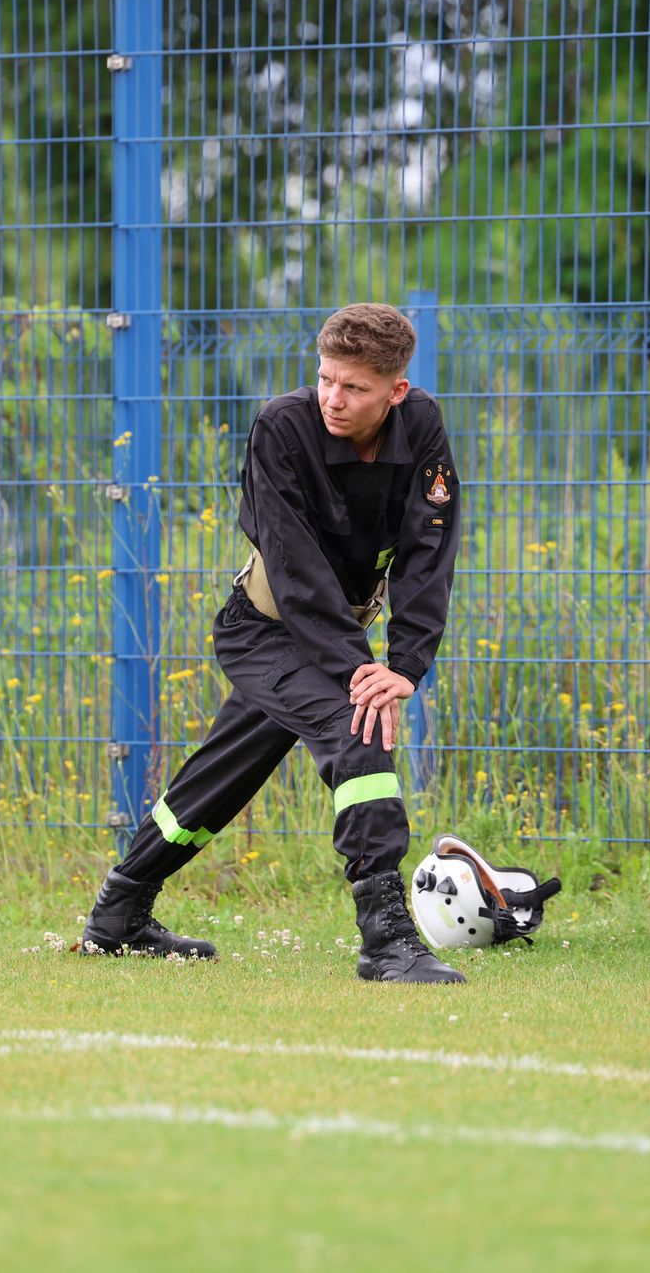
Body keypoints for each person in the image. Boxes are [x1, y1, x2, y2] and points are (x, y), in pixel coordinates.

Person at [80, 303, 465, 983]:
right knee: (361, 726)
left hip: (335, 637)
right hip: (264, 631)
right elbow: (295, 569)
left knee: (223, 773)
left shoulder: (423, 425)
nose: (333, 399)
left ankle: (118, 913)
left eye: (354, 388)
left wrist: (405, 664)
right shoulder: (282, 427)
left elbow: (428, 550)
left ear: (395, 391)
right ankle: (386, 939)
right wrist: (361, 671)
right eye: (326, 379)